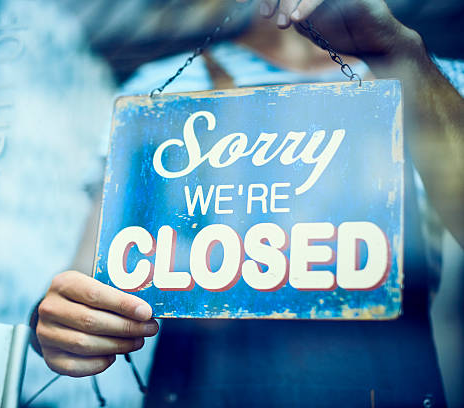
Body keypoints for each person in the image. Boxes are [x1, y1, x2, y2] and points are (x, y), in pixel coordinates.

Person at [31, 0, 464, 406]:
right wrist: (61, 323)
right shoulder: (158, 90)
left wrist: (397, 51)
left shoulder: (435, 79)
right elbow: (89, 280)